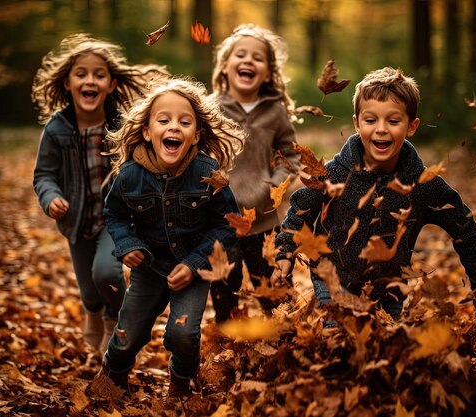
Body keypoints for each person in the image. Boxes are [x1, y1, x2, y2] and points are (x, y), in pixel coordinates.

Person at [272, 67, 476, 326]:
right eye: (370, 121)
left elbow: (463, 224)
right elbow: (301, 208)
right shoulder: (333, 174)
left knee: (382, 353)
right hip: (333, 279)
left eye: (393, 121)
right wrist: (285, 253)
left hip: (390, 290)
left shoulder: (421, 184)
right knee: (339, 340)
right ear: (357, 123)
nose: (381, 129)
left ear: (411, 126)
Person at [93, 78, 245, 401]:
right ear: (148, 131)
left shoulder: (208, 172)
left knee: (183, 333)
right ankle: (112, 376)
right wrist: (127, 245)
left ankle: (180, 382)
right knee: (127, 333)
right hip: (149, 268)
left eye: (184, 122)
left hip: (193, 266)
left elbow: (226, 226)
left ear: (196, 135)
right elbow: (115, 214)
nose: (174, 127)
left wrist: (194, 265)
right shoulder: (130, 175)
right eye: (164, 120)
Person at [32, 33, 168, 354]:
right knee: (88, 288)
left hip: (116, 218)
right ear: (67, 83)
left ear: (111, 84)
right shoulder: (57, 129)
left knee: (106, 272)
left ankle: (113, 320)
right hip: (75, 219)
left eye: (99, 74)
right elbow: (44, 174)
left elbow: (146, 160)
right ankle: (93, 311)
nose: (89, 80)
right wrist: (50, 197)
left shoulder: (123, 125)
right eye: (81, 74)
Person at [209, 24, 300, 322]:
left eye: (258, 58)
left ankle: (286, 340)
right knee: (224, 289)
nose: (249, 61)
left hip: (264, 222)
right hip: (222, 220)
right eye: (241, 54)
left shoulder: (274, 111)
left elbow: (290, 154)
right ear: (225, 66)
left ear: (268, 72)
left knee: (273, 288)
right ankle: (228, 344)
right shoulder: (210, 109)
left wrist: (273, 186)